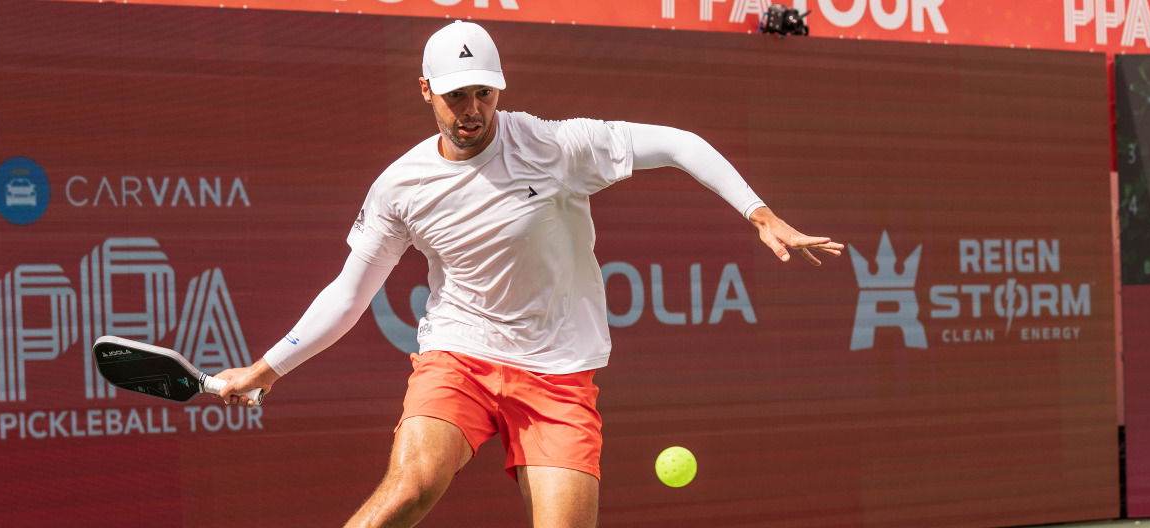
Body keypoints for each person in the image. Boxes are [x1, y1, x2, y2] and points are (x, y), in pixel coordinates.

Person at [215, 20, 844, 528]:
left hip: (560, 375)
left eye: (484, 93)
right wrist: (268, 368)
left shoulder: (555, 146)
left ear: (500, 89)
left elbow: (679, 144)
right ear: (426, 90)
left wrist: (759, 214)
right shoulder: (399, 188)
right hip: (459, 357)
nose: (472, 110)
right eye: (456, 95)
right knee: (411, 487)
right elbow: (350, 295)